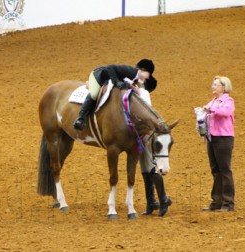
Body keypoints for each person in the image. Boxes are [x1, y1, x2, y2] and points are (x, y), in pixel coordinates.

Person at [73, 59, 155, 130]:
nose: (148, 78)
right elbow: (110, 67)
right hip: (99, 76)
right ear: (143, 70)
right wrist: (116, 81)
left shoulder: (136, 78)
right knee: (94, 94)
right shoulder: (130, 71)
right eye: (149, 74)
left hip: (107, 80)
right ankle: (81, 118)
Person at [136, 76, 172, 217]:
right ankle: (151, 202)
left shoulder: (143, 94)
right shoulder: (134, 93)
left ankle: (163, 200)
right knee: (145, 170)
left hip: (147, 136)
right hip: (140, 137)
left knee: (151, 168)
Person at [200, 76, 235, 212]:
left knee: (225, 170)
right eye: (213, 84)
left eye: (216, 85)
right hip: (212, 138)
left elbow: (225, 112)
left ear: (224, 87)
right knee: (216, 170)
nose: (213, 87)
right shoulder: (213, 101)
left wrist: (210, 110)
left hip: (224, 138)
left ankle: (228, 203)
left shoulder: (228, 101)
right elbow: (205, 116)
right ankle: (217, 202)